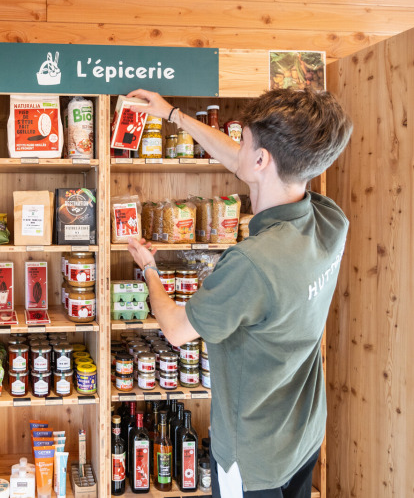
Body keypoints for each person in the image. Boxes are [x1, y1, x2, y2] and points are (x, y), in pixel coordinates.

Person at [125, 88, 353, 498]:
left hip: (253, 458)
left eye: (244, 141)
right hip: (303, 434)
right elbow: (242, 160)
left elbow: (176, 330)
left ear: (262, 159)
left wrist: (149, 269)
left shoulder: (253, 262)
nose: (237, 150)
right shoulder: (330, 220)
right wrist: (173, 114)